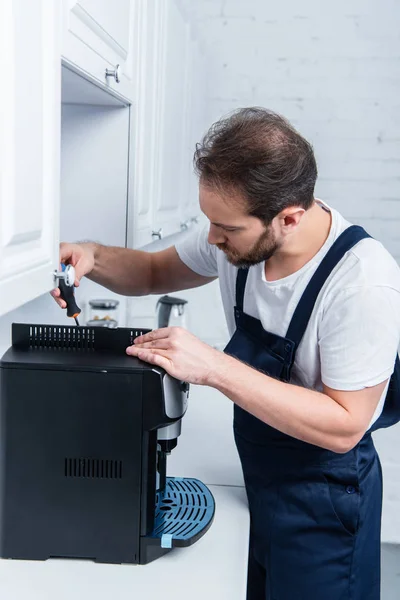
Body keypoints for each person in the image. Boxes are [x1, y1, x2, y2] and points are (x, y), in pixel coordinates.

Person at [53, 108, 400, 600]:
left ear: (289, 218)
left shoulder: (361, 284)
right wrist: (94, 255)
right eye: (210, 222)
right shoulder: (239, 235)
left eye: (226, 229)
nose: (213, 239)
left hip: (326, 500)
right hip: (260, 477)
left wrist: (213, 366)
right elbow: (153, 272)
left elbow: (345, 426)